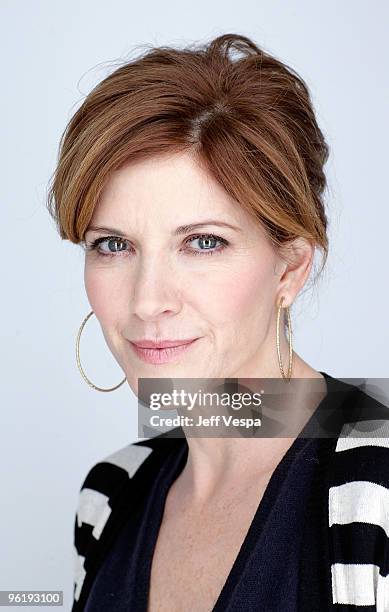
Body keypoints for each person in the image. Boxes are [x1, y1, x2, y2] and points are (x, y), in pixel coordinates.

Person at [46, 33, 389, 611]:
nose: (147, 300)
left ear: (290, 268)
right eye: (113, 245)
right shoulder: (111, 493)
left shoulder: (376, 488)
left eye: (203, 242)